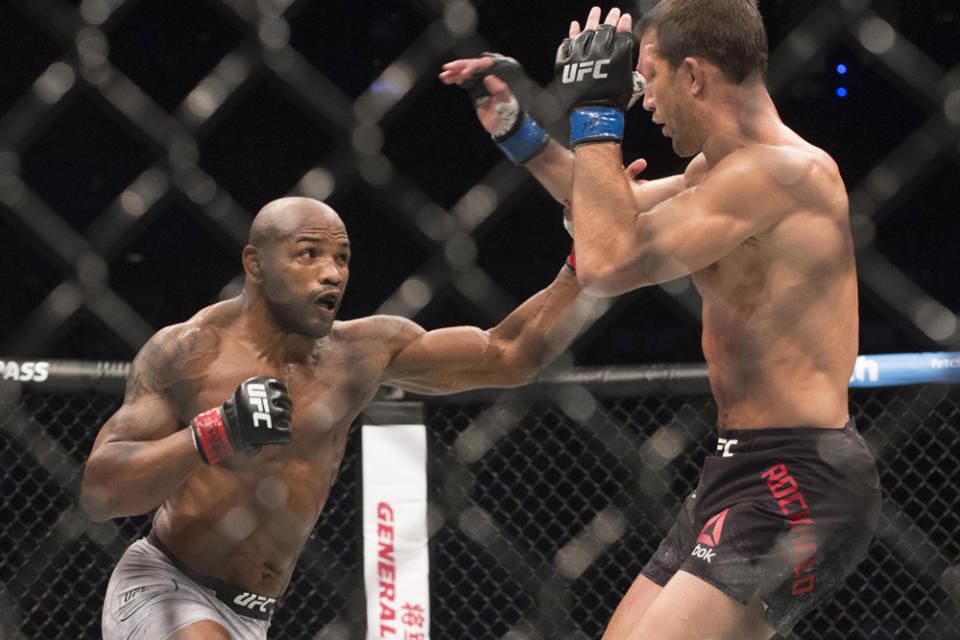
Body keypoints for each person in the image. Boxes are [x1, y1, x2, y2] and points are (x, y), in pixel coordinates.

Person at [440, 2, 881, 639]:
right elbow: (597, 213)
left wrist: (599, 113)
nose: (643, 101)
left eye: (648, 82)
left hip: (798, 474)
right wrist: (521, 133)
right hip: (737, 466)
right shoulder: (718, 172)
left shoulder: (785, 174)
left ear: (695, 76)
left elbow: (606, 261)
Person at [79, 196, 595, 639]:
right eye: (309, 254)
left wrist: (583, 257)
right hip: (167, 587)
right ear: (255, 264)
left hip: (255, 615)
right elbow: (101, 493)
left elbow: (508, 355)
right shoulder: (189, 353)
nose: (332, 272)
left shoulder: (362, 352)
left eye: (342, 258)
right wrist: (214, 432)